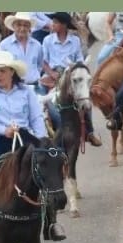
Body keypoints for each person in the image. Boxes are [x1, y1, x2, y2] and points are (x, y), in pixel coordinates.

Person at [0, 51, 68, 242]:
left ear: (12, 72)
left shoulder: (26, 91)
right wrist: (2, 130)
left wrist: (41, 141)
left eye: (2, 71)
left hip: (26, 139)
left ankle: (50, 222)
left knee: (46, 171)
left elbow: (36, 117)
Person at [40, 12, 103, 148]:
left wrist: (80, 68)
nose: (53, 24)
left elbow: (79, 58)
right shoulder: (47, 40)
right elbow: (43, 62)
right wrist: (51, 73)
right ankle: (43, 130)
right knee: (40, 98)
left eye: (56, 22)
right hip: (53, 74)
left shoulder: (74, 41)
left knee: (85, 97)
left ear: (63, 25)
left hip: (71, 73)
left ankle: (90, 132)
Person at [0, 13, 45, 88]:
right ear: (13, 26)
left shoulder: (37, 45)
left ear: (29, 27)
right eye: (19, 25)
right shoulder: (4, 45)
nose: (22, 28)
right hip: (13, 87)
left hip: (34, 86)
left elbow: (40, 65)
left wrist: (33, 76)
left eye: (25, 25)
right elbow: (1, 68)